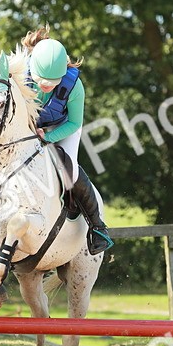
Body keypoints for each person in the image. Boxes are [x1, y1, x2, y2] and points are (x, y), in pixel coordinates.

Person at [21, 27, 113, 255]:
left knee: (69, 170)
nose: (47, 86)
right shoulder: (19, 75)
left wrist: (48, 137)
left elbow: (74, 123)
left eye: (52, 82)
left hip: (62, 127)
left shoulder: (74, 86)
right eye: (42, 80)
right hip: (29, 126)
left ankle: (97, 227)